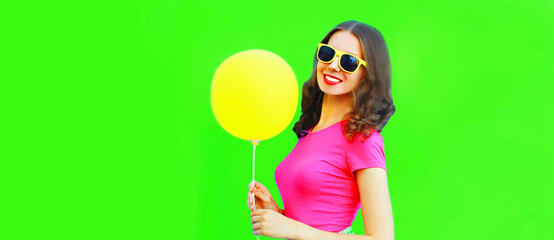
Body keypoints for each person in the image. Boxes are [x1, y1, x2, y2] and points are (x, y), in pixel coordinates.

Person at [247, 20, 396, 240]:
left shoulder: (363, 139)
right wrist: (276, 213)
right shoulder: (311, 131)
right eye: (327, 53)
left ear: (368, 74)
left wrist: (292, 229)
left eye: (348, 61)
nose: (333, 65)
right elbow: (317, 219)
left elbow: (383, 238)